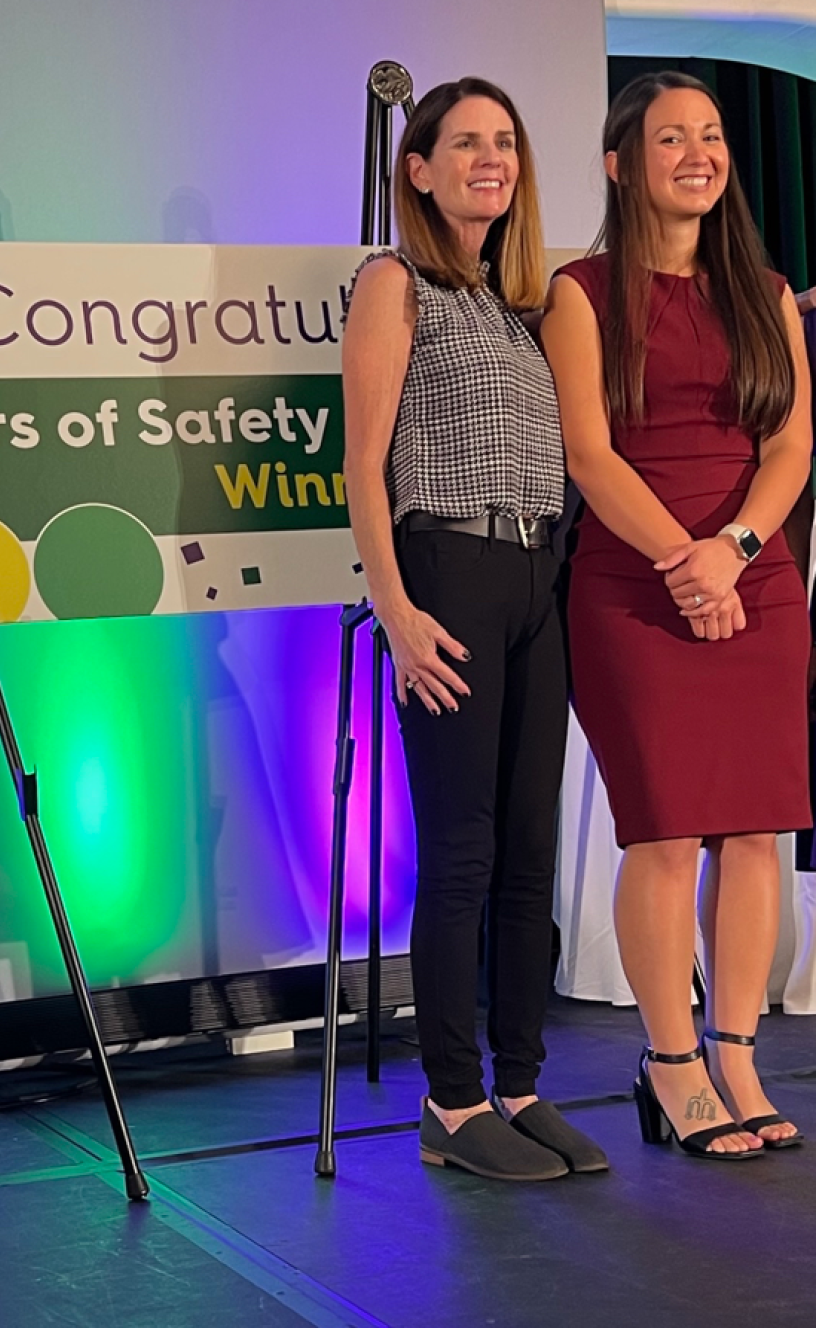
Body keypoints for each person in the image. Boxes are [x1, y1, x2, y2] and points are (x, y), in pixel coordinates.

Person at [542, 71, 811, 1158]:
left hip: (759, 578)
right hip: (633, 590)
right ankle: (671, 1061)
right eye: (671, 139)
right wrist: (682, 564)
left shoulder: (767, 289)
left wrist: (733, 551)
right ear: (621, 163)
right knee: (664, 829)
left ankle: (737, 1049)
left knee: (756, 829)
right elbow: (588, 454)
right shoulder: (580, 289)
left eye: (711, 136)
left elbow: (792, 444)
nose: (699, 152)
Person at [342, 77, 607, 1181]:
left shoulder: (527, 302)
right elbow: (361, 462)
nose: (489, 159)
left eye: (505, 142)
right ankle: (451, 1102)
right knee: (457, 852)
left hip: (538, 572)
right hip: (445, 565)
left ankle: (522, 1080)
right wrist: (398, 611)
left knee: (525, 852)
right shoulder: (393, 284)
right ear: (418, 167)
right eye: (465, 143)